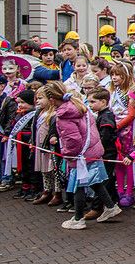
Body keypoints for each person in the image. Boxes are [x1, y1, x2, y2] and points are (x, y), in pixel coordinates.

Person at [44, 82, 121, 229]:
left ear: (52, 100)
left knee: (78, 185)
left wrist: (68, 154)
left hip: (81, 154)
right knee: (93, 181)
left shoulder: (65, 115)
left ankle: (78, 218)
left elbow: (72, 139)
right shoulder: (77, 106)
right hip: (91, 150)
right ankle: (111, 206)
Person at [86, 88, 119, 220]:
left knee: (101, 180)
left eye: (93, 102)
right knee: (107, 179)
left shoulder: (106, 117)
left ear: (103, 101)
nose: (90, 105)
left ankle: (97, 207)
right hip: (105, 153)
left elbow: (104, 137)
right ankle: (114, 199)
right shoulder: (102, 114)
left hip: (106, 154)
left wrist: (96, 149)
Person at [109, 63, 135, 207]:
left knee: (128, 161)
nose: (114, 77)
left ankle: (129, 192)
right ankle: (120, 190)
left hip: (128, 130)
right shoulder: (113, 91)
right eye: (112, 74)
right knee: (118, 161)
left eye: (118, 74)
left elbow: (131, 114)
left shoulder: (129, 93)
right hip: (116, 129)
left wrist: (118, 126)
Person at [30, 87, 62, 205]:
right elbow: (34, 128)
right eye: (36, 98)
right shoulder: (39, 112)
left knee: (54, 169)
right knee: (44, 170)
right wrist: (32, 142)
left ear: (50, 99)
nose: (37, 101)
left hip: (50, 147)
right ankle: (47, 190)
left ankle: (57, 193)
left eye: (40, 98)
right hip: (39, 144)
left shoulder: (54, 113)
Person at [7, 89, 37, 200]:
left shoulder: (35, 114)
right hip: (19, 142)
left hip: (29, 141)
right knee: (22, 165)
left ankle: (34, 188)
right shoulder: (19, 114)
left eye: (23, 102)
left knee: (31, 166)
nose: (20, 105)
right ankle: (25, 186)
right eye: (18, 102)